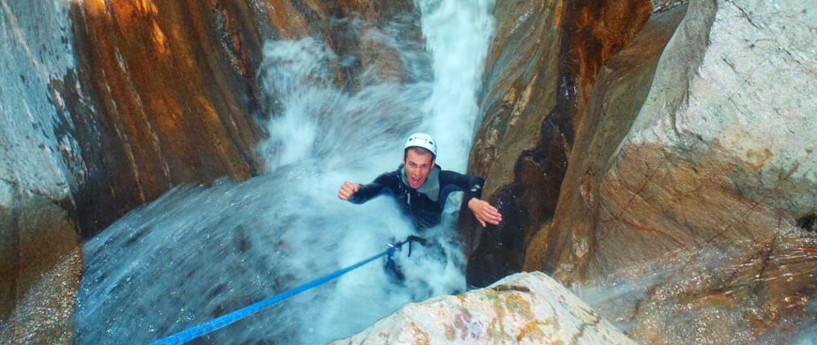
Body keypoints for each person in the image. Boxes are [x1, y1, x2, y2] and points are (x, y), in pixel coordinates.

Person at [337, 133, 502, 230]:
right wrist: (353, 193)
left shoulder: (442, 180)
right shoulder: (392, 180)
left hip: (434, 235)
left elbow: (474, 181)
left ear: (432, 165)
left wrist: (473, 199)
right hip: (402, 233)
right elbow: (366, 193)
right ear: (404, 160)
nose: (417, 173)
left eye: (424, 166)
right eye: (412, 165)